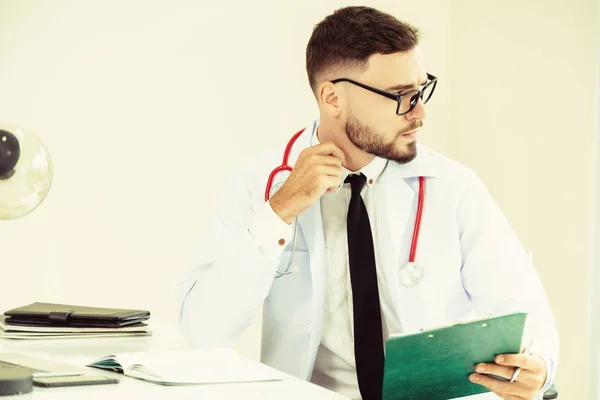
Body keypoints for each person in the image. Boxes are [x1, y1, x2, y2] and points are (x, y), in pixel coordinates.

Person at [178, 6, 558, 400]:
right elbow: (204, 330)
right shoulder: (262, 184)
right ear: (331, 97)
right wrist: (280, 212)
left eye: (420, 90)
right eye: (399, 96)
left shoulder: (454, 187)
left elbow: (523, 307)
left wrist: (541, 366)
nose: (420, 113)